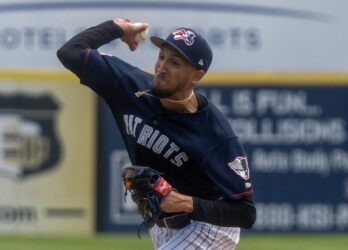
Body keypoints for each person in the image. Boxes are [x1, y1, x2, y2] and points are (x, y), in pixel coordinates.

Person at [57, 18, 256, 250]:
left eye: (175, 62)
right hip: (161, 225)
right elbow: (70, 52)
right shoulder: (128, 86)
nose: (162, 67)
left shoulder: (215, 134)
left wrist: (189, 203)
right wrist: (118, 27)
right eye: (161, 56)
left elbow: (245, 212)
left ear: (196, 76)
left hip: (208, 227)